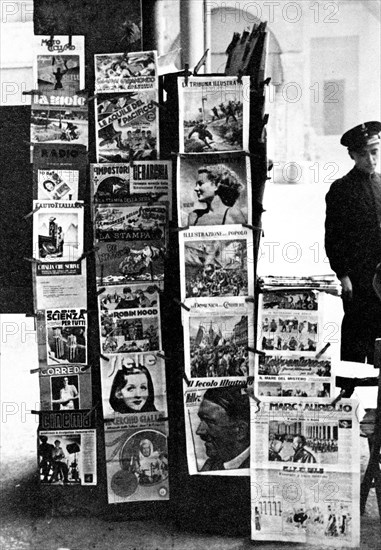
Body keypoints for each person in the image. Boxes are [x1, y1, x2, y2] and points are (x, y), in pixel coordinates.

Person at [325, 121, 381, 362]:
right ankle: (349, 393)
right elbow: (333, 237)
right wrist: (343, 274)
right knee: (357, 334)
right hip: (358, 277)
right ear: (352, 155)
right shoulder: (341, 189)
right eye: (363, 154)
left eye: (375, 151)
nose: (370, 159)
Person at [196, 387, 250, 471]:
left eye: (209, 422)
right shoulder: (210, 465)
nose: (199, 431)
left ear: (240, 431)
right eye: (201, 420)